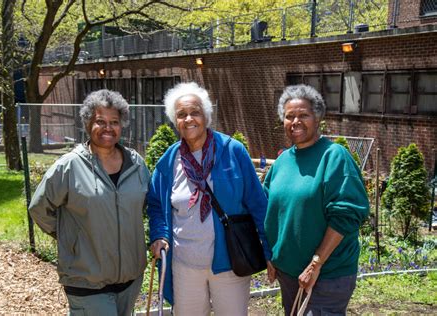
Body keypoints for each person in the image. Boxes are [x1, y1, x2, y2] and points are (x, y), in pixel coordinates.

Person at [147, 82, 271, 315]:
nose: (189, 119)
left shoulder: (232, 151)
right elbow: (155, 205)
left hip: (230, 264)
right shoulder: (168, 161)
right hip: (184, 266)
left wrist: (269, 250)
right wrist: (159, 234)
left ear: (206, 116)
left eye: (195, 112)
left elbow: (257, 202)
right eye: (181, 114)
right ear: (175, 121)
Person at [29, 89, 149, 315]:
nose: (108, 128)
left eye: (114, 121)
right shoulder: (69, 167)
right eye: (100, 121)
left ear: (121, 125)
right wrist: (69, 236)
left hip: (130, 279)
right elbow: (39, 208)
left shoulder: (136, 164)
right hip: (86, 281)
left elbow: (142, 205)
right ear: (87, 123)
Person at [263, 84, 369, 315]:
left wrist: (316, 264)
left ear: (318, 117)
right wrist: (271, 256)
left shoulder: (334, 157)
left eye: (303, 115)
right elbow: (267, 209)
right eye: (289, 116)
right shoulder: (282, 162)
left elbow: (347, 215)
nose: (295, 122)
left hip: (327, 275)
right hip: (289, 274)